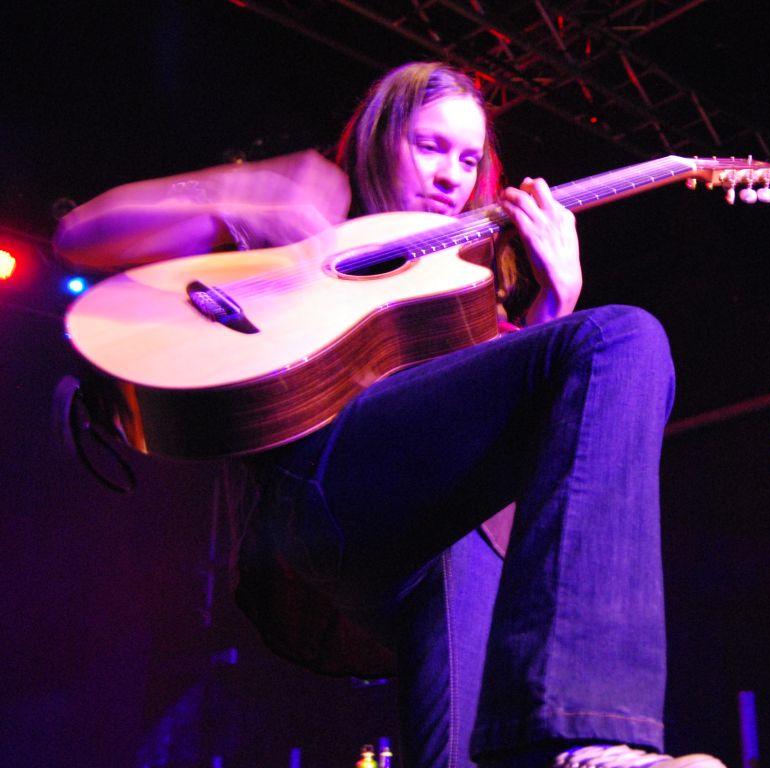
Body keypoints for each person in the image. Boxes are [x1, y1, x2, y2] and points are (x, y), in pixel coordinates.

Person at [54, 61, 725, 768]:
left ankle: (581, 750)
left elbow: (536, 481)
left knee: (618, 348)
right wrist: (231, 197)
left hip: (440, 536)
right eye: (430, 147)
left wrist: (551, 309)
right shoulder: (300, 243)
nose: (451, 176)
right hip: (322, 492)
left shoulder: (471, 296)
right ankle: (586, 730)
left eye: (468, 159)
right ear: (380, 142)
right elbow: (83, 235)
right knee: (619, 335)